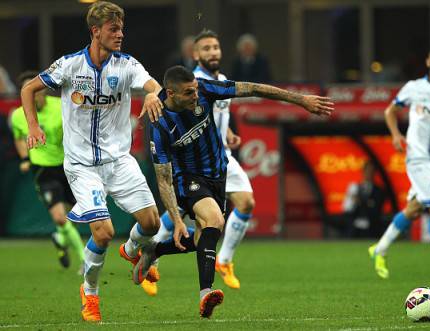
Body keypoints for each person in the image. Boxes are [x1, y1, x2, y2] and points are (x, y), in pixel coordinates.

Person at [133, 65, 333, 318]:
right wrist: (175, 219)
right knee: (214, 221)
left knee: (203, 239)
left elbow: (253, 88)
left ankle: (155, 250)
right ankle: (206, 293)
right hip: (189, 179)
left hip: (219, 173)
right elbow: (163, 178)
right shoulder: (159, 123)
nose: (196, 96)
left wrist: (301, 100)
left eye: (195, 90)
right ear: (170, 93)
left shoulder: (204, 89)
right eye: (188, 93)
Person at [20, 1, 164, 322]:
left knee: (152, 223)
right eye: (113, 29)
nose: (120, 34)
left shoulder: (126, 66)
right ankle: (90, 292)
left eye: (122, 28)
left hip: (119, 162)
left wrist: (154, 94)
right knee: (102, 233)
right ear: (95, 31)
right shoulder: (70, 66)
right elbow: (29, 88)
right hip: (82, 166)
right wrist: (33, 126)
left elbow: (153, 84)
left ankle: (131, 250)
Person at [140, 29, 255, 297]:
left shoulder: (221, 79)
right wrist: (151, 95)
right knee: (188, 217)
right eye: (206, 48)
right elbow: (164, 96)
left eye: (215, 47)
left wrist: (227, 133)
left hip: (221, 157)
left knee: (238, 209)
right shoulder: (194, 83)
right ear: (196, 54)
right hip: (192, 165)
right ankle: (154, 255)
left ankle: (221, 260)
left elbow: (215, 115)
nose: (212, 52)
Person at [368, 42, 430, 279]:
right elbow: (390, 111)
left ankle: (379, 249)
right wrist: (395, 134)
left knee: (414, 209)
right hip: (417, 156)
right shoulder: (414, 88)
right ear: (428, 61)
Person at [10, 71, 85, 273]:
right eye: (27, 91)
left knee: (75, 214)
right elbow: (18, 137)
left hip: (67, 165)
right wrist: (26, 158)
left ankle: (60, 238)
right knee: (60, 217)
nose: (33, 94)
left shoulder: (60, 106)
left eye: (35, 89)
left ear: (42, 89)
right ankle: (85, 260)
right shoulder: (18, 115)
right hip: (42, 170)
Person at [342, 160, 386, 238]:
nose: (369, 173)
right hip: (354, 226)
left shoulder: (379, 190)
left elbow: (377, 209)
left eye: (371, 171)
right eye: (367, 171)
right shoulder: (355, 187)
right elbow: (347, 209)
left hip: (371, 227)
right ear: (363, 172)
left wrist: (361, 201)